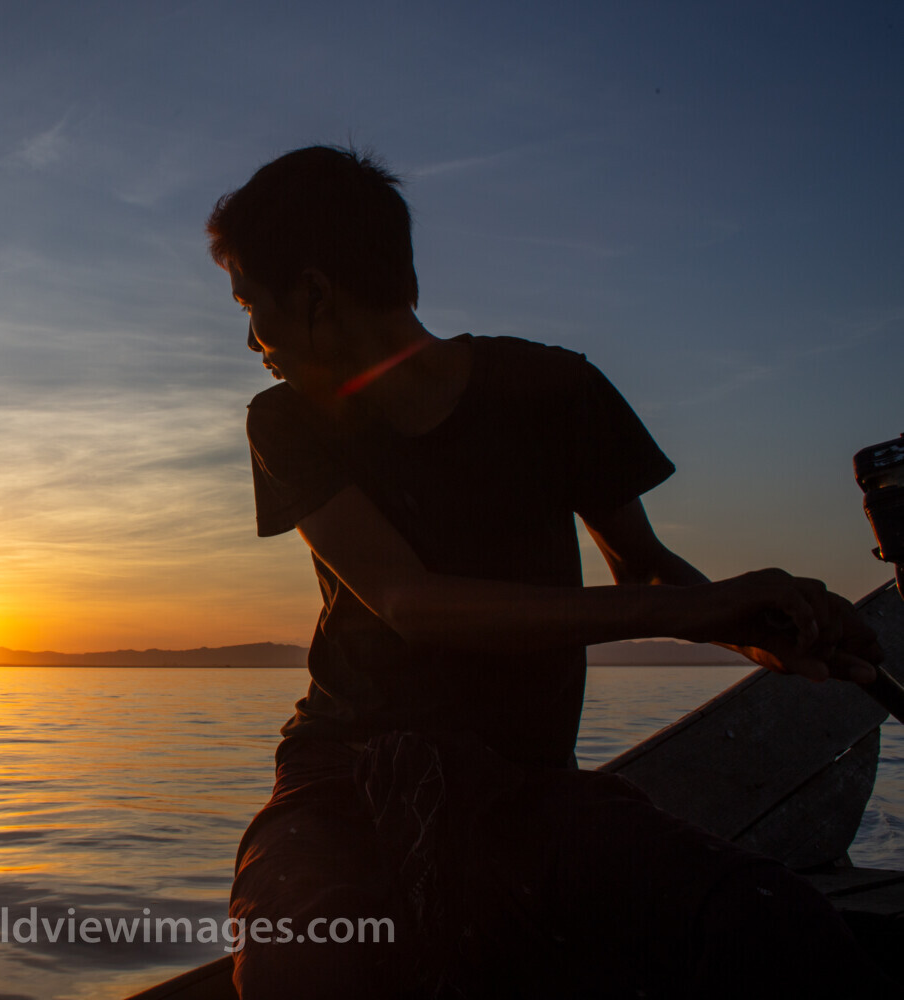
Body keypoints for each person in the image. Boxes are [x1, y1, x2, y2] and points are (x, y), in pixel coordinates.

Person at [207, 145, 894, 998]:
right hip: (340, 779)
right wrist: (708, 605)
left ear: (313, 291)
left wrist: (762, 625)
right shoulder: (287, 422)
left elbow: (644, 576)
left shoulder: (556, 388)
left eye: (250, 306)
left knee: (770, 921)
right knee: (306, 964)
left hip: (525, 787)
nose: (251, 341)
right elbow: (409, 603)